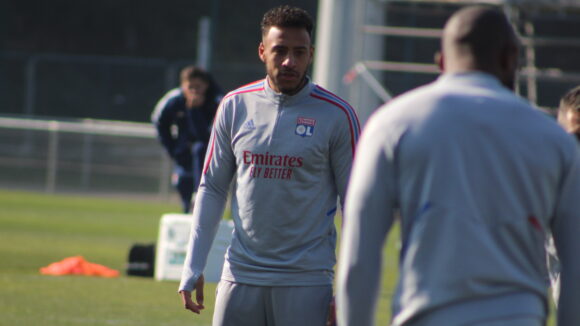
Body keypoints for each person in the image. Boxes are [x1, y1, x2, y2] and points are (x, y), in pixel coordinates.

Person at [337, 6, 580, 326]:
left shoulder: (391, 124)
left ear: (441, 62)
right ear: (511, 58)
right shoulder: (554, 140)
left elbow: (358, 259)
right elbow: (574, 268)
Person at [178, 5, 359, 326]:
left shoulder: (336, 115)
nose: (289, 61)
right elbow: (213, 187)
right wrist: (193, 265)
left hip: (305, 281)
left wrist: (346, 290)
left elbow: (356, 206)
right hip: (240, 274)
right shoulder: (235, 105)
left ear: (311, 54)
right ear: (263, 51)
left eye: (299, 52)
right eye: (280, 51)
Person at [151, 66, 222, 213]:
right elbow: (159, 122)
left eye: (198, 87)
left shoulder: (217, 102)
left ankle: (199, 197)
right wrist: (173, 149)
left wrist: (194, 111)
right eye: (190, 87)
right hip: (184, 152)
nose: (194, 92)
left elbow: (206, 135)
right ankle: (187, 209)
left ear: (206, 86)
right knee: (183, 182)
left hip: (210, 156)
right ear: (183, 86)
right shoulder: (174, 101)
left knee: (200, 149)